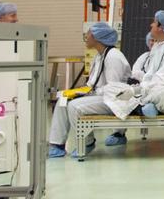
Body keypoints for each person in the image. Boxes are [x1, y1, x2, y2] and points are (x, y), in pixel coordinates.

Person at [47, 22, 133, 158]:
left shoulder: (113, 56)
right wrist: (78, 92)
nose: (86, 37)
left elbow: (114, 88)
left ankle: (87, 142)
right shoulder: (99, 56)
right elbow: (92, 83)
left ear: (97, 37)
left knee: (74, 106)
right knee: (63, 101)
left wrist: (88, 92)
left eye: (88, 34)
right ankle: (57, 145)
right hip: (100, 96)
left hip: (114, 100)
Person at [104, 12, 164, 145]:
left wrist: (136, 91)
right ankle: (144, 106)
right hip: (148, 92)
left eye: (154, 22)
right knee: (111, 88)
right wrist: (135, 88)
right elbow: (148, 76)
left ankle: (139, 105)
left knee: (160, 91)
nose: (151, 25)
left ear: (162, 28)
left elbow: (163, 81)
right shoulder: (157, 46)